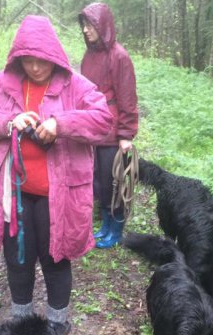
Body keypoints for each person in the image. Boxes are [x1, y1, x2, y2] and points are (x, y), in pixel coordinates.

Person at [0, 15, 113, 330]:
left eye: (42, 60)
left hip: (58, 197)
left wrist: (60, 124)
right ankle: (21, 323)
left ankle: (56, 327)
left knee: (55, 259)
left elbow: (103, 120)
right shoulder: (4, 84)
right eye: (28, 61)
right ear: (19, 58)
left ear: (55, 56)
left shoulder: (75, 85)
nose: (35, 67)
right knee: (18, 260)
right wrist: (9, 122)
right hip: (16, 195)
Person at [79, 2, 139, 249]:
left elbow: (127, 97)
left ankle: (116, 228)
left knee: (113, 180)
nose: (85, 30)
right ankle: (105, 224)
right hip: (91, 128)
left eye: (90, 24)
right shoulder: (89, 55)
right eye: (83, 25)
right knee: (97, 181)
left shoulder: (119, 56)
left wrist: (125, 134)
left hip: (111, 131)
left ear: (102, 25)